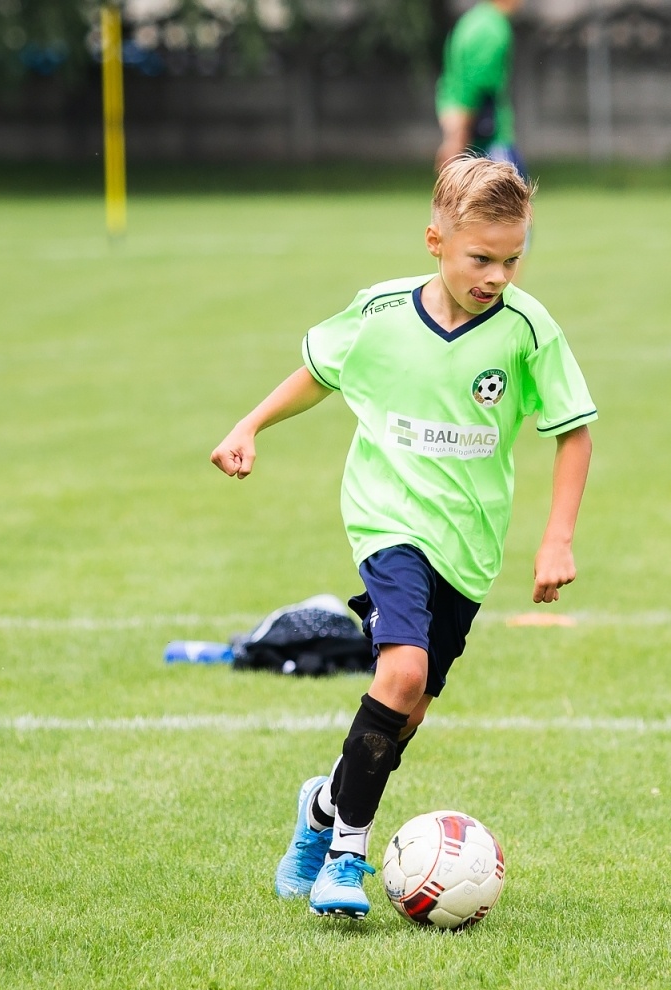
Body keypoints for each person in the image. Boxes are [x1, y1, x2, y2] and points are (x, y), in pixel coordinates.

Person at [210, 156, 597, 918]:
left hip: (469, 546)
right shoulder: (382, 311)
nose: (497, 276)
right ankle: (344, 862)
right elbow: (320, 373)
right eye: (480, 258)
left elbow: (573, 432)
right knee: (403, 670)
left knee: (408, 705)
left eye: (512, 259)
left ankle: (321, 809)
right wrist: (249, 425)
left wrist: (557, 539)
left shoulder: (527, 330)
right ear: (435, 241)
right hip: (388, 520)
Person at [436, 0, 526, 176]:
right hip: (488, 146)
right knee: (510, 192)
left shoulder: (471, 21)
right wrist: (458, 137)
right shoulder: (492, 28)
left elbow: (452, 81)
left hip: (472, 138)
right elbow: (478, 87)